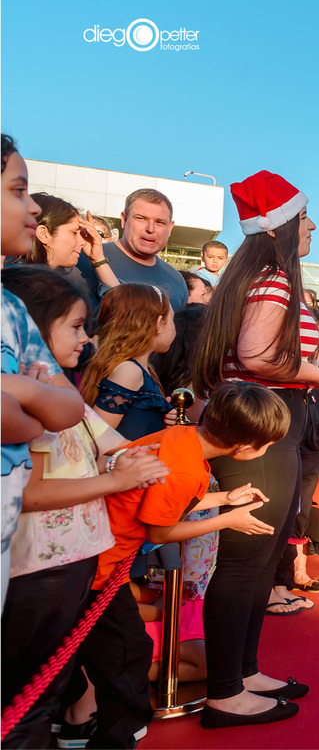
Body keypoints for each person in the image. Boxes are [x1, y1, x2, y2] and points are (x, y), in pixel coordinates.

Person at [192, 170, 319, 719]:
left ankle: (242, 671)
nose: (312, 225)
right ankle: (224, 690)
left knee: (262, 559)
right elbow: (259, 354)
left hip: (273, 417)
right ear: (279, 226)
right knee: (246, 556)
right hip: (267, 418)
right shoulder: (275, 279)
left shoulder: (267, 276)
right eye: (303, 216)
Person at [0, 266, 169, 747]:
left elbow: (106, 438)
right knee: (34, 691)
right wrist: (114, 480)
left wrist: (136, 457)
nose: (87, 338)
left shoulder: (57, 393)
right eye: (75, 327)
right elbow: (26, 491)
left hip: (84, 554)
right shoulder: (23, 397)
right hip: (43, 564)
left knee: (117, 651)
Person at [68, 383, 289, 739]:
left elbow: (169, 499)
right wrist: (227, 518)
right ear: (244, 447)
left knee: (113, 651)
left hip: (95, 560)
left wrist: (225, 497)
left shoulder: (183, 439)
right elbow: (159, 531)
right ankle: (112, 733)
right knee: (124, 656)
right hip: (97, 568)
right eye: (266, 446)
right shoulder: (187, 467)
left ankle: (80, 722)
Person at [1, 134, 88, 610]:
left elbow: (65, 408)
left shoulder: (10, 307)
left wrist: (14, 389)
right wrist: (29, 397)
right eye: (17, 191)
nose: (33, 208)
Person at [80, 283, 176, 440]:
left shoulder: (141, 369)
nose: (174, 327)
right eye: (172, 319)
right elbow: (96, 435)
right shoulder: (129, 371)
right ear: (158, 324)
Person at [75, 188, 188, 312]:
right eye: (141, 218)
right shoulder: (83, 259)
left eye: (159, 222)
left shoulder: (177, 279)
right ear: (124, 220)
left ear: (170, 228)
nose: (150, 229)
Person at [26, 194, 122, 292]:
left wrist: (98, 259)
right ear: (44, 234)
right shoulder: (13, 284)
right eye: (74, 233)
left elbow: (122, 304)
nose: (83, 242)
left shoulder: (76, 279)